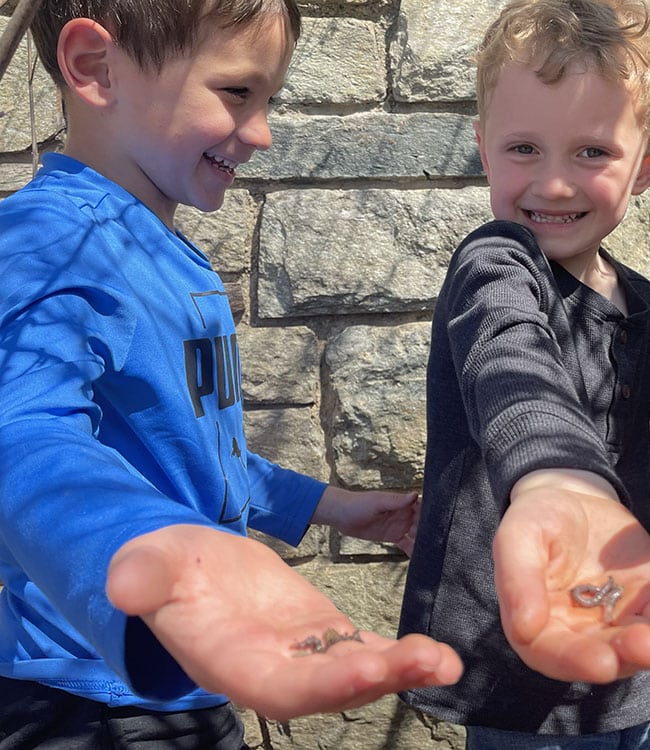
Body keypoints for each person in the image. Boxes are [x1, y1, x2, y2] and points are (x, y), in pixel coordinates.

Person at [0, 1, 462, 746]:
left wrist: (331, 507)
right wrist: (165, 562)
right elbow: (20, 431)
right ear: (95, 68)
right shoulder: (47, 242)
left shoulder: (156, 246)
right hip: (94, 701)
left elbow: (189, 453)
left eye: (268, 99)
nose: (263, 132)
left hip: (180, 686)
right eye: (238, 92)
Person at [397, 0, 650, 747]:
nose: (555, 184)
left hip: (646, 650)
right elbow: (509, 357)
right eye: (524, 149)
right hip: (523, 673)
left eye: (591, 152)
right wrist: (554, 476)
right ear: (484, 147)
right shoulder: (492, 264)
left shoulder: (643, 304)